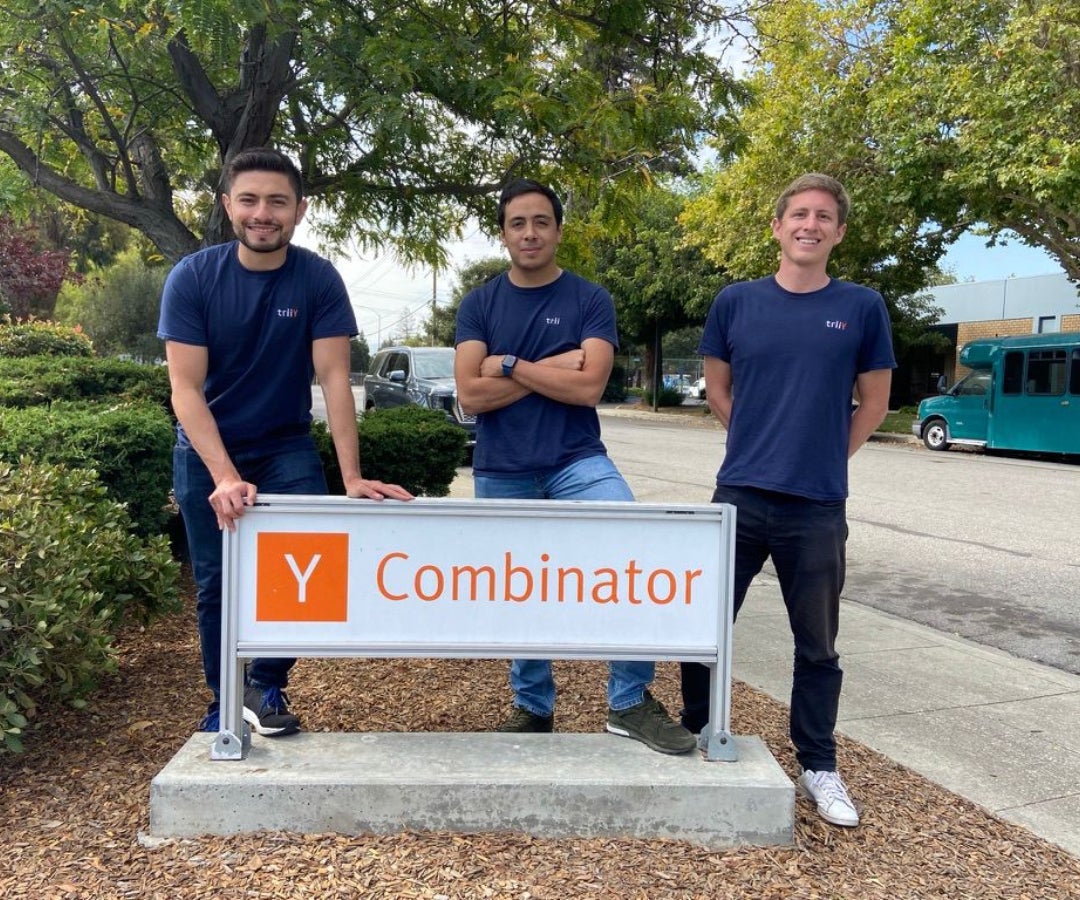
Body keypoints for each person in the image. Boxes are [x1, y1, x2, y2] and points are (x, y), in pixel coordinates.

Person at [158, 147, 413, 737]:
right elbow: (185, 389)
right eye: (249, 200)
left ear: (299, 210)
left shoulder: (317, 278)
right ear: (228, 206)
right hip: (206, 449)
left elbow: (335, 379)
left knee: (311, 574)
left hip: (286, 446)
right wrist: (224, 475)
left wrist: (351, 477)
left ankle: (263, 683)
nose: (262, 213)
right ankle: (226, 701)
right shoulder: (192, 278)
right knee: (217, 583)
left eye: (277, 202)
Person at [680, 173, 896, 826]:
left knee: (818, 644)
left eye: (823, 216)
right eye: (799, 214)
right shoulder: (736, 302)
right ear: (777, 227)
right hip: (739, 496)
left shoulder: (861, 307)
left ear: (839, 232)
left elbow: (875, 403)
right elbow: (719, 391)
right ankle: (696, 732)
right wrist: (756, 442)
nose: (810, 224)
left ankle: (818, 765)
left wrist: (825, 456)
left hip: (817, 506)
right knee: (704, 627)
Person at [454, 178, 696, 755]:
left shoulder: (590, 299)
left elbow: (589, 388)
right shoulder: (480, 303)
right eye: (518, 223)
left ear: (558, 230)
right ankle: (532, 708)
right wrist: (556, 366)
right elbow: (470, 395)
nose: (530, 233)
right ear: (503, 233)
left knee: (635, 550)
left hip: (576, 461)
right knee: (518, 587)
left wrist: (509, 365)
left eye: (541, 222)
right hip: (502, 469)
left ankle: (628, 702)